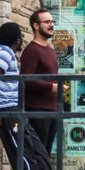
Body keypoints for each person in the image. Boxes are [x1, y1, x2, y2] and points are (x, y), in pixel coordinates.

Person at [0, 21, 80, 170]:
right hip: (7, 112)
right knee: (27, 159)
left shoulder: (6, 52)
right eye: (21, 36)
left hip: (16, 112)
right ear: (17, 39)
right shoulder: (4, 53)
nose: (23, 40)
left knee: (40, 155)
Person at [21, 9, 60, 154]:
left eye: (52, 22)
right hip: (37, 111)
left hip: (53, 110)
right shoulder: (32, 51)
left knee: (46, 154)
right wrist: (51, 88)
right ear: (36, 26)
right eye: (47, 22)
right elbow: (26, 79)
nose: (51, 25)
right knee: (38, 155)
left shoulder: (50, 50)